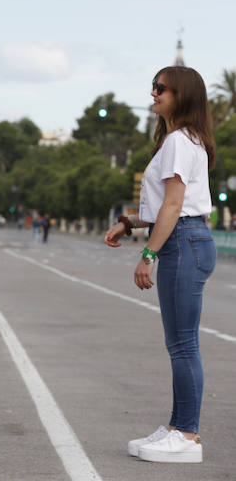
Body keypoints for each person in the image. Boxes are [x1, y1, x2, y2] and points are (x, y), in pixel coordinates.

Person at [103, 66, 216, 464]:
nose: (153, 94)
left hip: (183, 242)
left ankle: (185, 434)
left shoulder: (180, 142)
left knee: (183, 344)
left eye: (161, 88)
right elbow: (168, 206)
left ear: (180, 95)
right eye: (153, 87)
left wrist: (148, 254)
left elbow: (174, 204)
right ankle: (176, 427)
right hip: (187, 239)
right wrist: (130, 222)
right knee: (180, 343)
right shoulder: (181, 140)